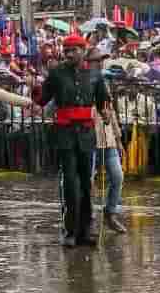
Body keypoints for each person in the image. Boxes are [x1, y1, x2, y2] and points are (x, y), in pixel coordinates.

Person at [34, 33, 109, 247]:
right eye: (66, 51)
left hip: (86, 135)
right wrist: (35, 90)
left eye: (73, 50)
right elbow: (42, 99)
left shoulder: (95, 75)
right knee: (69, 184)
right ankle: (70, 230)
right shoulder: (56, 74)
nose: (69, 54)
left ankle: (86, 230)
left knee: (86, 183)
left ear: (83, 51)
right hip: (65, 135)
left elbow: (103, 101)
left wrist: (104, 112)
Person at [92, 98, 126, 233]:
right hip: (90, 143)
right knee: (88, 181)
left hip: (109, 143)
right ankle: (87, 218)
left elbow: (113, 117)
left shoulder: (106, 96)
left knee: (118, 177)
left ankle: (110, 213)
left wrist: (119, 142)